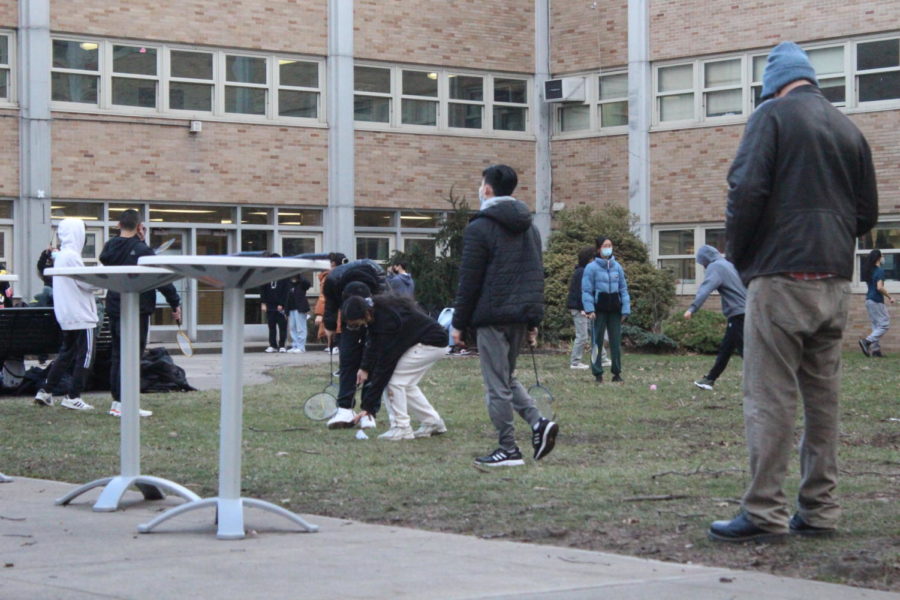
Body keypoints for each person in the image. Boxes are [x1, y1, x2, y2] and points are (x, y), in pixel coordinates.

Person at [709, 42, 878, 543]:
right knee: (823, 401)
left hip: (781, 278)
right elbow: (866, 214)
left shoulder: (772, 117)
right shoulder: (849, 129)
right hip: (833, 282)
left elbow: (745, 189)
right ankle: (820, 511)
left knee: (770, 397)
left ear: (772, 84)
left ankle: (764, 512)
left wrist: (737, 257)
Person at [451, 164, 558, 467]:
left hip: (492, 316)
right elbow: (537, 274)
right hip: (520, 317)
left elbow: (469, 281)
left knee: (496, 385)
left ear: (487, 189)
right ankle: (538, 423)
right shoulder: (530, 227)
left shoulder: (479, 227)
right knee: (506, 379)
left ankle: (508, 448)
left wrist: (458, 323)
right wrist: (533, 321)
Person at [99, 209, 182, 418]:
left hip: (116, 307)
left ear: (118, 226)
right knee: (133, 355)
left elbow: (109, 257)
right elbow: (160, 279)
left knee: (118, 354)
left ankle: (117, 401)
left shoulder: (109, 248)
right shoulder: (142, 250)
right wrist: (175, 303)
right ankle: (127, 402)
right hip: (137, 309)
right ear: (139, 227)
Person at [343, 293, 448, 441]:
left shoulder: (388, 322)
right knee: (406, 384)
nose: (357, 326)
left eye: (356, 323)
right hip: (433, 341)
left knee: (393, 381)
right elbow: (373, 342)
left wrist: (368, 407)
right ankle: (432, 422)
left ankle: (401, 428)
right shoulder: (376, 311)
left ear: (365, 313)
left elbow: (385, 365)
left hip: (431, 343)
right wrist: (365, 368)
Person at [33, 218, 100, 411]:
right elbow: (86, 283)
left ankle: (46, 391)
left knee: (66, 354)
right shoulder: (71, 256)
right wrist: (101, 276)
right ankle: (73, 395)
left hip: (67, 313)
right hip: (81, 313)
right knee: (86, 355)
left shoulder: (61, 256)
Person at [321, 258, 387, 429]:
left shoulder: (380, 285)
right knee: (348, 359)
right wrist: (329, 326)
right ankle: (344, 408)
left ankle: (368, 411)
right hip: (349, 313)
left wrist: (365, 366)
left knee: (373, 363)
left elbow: (378, 335)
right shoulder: (333, 281)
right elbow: (330, 305)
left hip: (374, 317)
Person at [684, 245, 747, 390]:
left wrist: (692, 308)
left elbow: (706, 288)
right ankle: (710, 379)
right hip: (746, 311)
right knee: (726, 348)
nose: (704, 267)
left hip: (738, 314)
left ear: (706, 260)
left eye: (702, 263)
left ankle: (762, 384)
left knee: (745, 351)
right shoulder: (729, 265)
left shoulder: (715, 267)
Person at [581, 236, 631, 383]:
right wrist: (589, 309)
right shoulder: (591, 268)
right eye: (605, 245)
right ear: (598, 249)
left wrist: (625, 309)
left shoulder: (617, 266)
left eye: (610, 245)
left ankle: (617, 372)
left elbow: (623, 288)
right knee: (597, 341)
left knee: (615, 342)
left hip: (615, 309)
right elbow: (586, 290)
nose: (608, 248)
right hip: (598, 310)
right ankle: (598, 373)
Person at [567, 246, 609, 370]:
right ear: (589, 259)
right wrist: (584, 309)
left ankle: (602, 358)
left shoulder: (587, 271)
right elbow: (580, 292)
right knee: (582, 336)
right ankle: (575, 362)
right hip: (580, 309)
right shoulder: (581, 272)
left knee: (597, 332)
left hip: (586, 308)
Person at [859, 249, 893, 358]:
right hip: (876, 300)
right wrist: (890, 297)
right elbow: (880, 287)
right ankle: (866, 341)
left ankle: (876, 351)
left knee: (876, 325)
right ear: (878, 257)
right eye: (882, 255)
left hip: (869, 300)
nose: (884, 258)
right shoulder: (879, 271)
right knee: (884, 324)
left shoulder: (870, 270)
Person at [314, 252, 347, 354]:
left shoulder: (329, 277)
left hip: (333, 307)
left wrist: (319, 313)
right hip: (343, 306)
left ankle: (334, 345)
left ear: (332, 263)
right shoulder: (345, 274)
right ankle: (334, 345)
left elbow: (323, 296)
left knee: (334, 326)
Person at [260, 253, 290, 353]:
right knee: (271, 326)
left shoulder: (284, 274)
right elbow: (263, 289)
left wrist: (282, 304)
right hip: (270, 305)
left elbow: (286, 290)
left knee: (282, 326)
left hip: (281, 305)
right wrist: (263, 302)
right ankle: (272, 345)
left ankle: (282, 345)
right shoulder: (266, 274)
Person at [286, 273, 312, 353]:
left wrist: (300, 276)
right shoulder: (289, 285)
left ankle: (301, 347)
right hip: (291, 308)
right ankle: (295, 345)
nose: (293, 278)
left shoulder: (302, 284)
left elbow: (308, 283)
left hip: (300, 308)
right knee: (292, 327)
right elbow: (287, 298)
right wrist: (286, 310)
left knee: (301, 328)